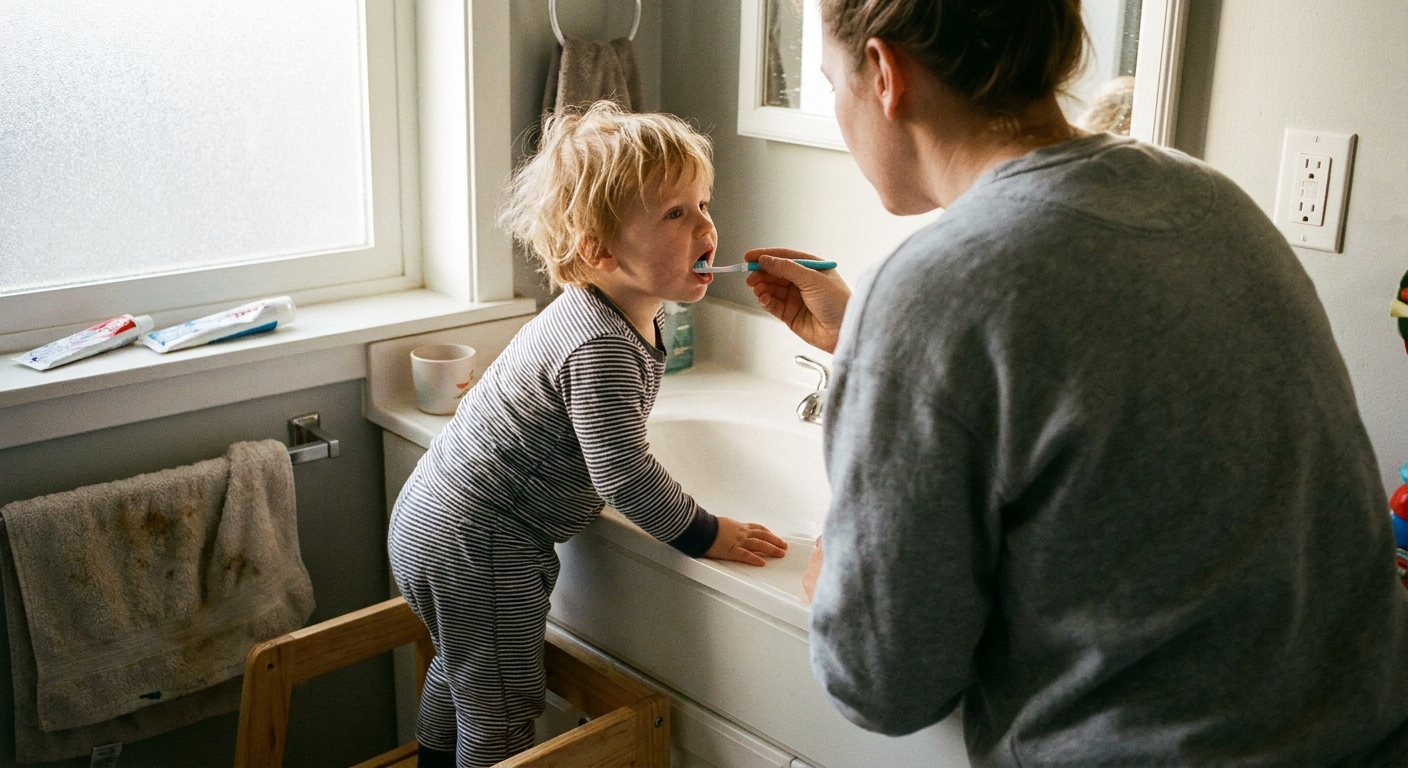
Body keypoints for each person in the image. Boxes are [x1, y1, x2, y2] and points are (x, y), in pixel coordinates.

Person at [746, 1, 1408, 765]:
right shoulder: (1211, 202)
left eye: (833, 81)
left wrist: (836, 577)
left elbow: (882, 686)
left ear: (887, 75)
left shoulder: (933, 288)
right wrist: (873, 348)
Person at [388, 102, 788, 767]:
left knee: (461, 678)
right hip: (480, 543)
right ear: (599, 250)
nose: (705, 226)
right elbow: (624, 474)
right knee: (503, 707)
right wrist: (705, 531)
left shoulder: (603, 313)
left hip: (437, 520)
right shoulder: (601, 344)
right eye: (674, 214)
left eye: (703, 203)